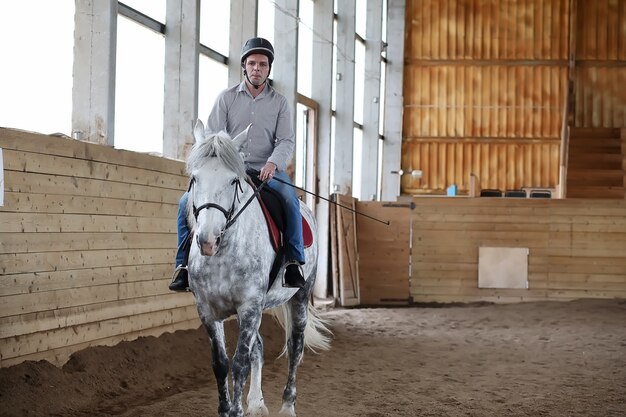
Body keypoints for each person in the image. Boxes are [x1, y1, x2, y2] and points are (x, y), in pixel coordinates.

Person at [169, 37, 306, 292]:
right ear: (244, 66)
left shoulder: (279, 103)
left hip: (266, 171)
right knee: (184, 203)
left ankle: (294, 262)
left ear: (268, 68)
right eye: (252, 63)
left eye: (263, 64)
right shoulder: (226, 99)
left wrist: (273, 163)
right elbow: (211, 137)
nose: (257, 68)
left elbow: (286, 140)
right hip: (231, 170)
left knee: (289, 199)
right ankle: (183, 267)